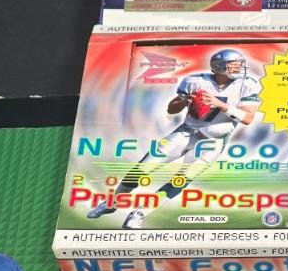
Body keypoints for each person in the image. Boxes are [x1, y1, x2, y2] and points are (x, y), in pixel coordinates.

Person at [87, 48, 261, 228]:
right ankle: (112, 203)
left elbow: (247, 118)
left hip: (214, 141)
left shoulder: (247, 84)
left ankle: (139, 214)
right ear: (219, 67)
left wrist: (219, 104)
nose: (239, 68)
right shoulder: (195, 81)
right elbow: (172, 109)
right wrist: (184, 101)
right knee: (142, 168)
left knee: (181, 180)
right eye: (234, 65)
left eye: (239, 64)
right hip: (187, 132)